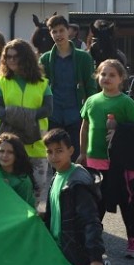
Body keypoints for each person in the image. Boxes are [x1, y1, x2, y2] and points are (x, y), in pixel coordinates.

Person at [79, 59, 134, 259]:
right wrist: (83, 152)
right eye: (103, 74)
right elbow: (84, 126)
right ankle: (93, 241)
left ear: (121, 79)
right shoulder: (91, 101)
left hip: (121, 164)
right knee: (95, 203)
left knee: (128, 202)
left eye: (112, 75)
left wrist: (120, 130)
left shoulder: (127, 103)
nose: (106, 78)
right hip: (94, 161)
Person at [42, 128, 112, 265]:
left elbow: (91, 222)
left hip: (74, 249)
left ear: (71, 151)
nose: (54, 156)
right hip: (59, 246)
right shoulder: (56, 177)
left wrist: (95, 258)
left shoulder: (77, 183)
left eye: (59, 151)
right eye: (49, 152)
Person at [0, 39, 53, 206]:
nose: (11, 60)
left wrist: (16, 114)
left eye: (15, 57)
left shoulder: (42, 83)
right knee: (6, 198)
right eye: (8, 57)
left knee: (36, 195)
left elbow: (47, 109)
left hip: (36, 147)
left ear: (26, 58)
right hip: (7, 149)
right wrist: (28, 117)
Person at [40, 14, 98, 160]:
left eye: (61, 30)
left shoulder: (84, 58)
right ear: (50, 34)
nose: (58, 35)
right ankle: (57, 182)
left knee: (76, 155)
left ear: (68, 31)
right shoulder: (45, 59)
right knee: (54, 155)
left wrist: (90, 111)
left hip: (76, 113)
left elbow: (91, 86)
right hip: (54, 114)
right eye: (54, 31)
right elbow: (39, 87)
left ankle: (75, 183)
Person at [0, 132, 36, 207]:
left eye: (10, 152)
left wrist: (7, 191)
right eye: (1, 151)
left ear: (17, 155)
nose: (4, 155)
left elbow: (22, 210)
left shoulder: (23, 181)